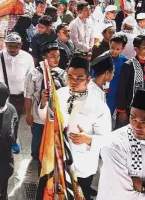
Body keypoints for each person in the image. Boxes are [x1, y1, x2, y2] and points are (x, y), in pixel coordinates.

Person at [38, 56, 111, 199]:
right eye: (70, 76)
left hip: (82, 165)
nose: (73, 81)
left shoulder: (98, 105)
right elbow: (45, 119)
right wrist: (43, 103)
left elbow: (107, 139)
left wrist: (88, 139)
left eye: (79, 78)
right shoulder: (59, 94)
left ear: (88, 79)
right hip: (57, 160)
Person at [24, 42, 67, 161]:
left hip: (56, 117)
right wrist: (28, 114)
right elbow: (28, 97)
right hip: (39, 118)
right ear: (44, 57)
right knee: (37, 147)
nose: (56, 59)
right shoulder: (34, 74)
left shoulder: (62, 74)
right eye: (52, 56)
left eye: (58, 56)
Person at [0, 32, 33, 153]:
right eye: (10, 45)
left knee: (14, 121)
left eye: (16, 46)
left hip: (18, 97)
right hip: (0, 95)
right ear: (5, 44)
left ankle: (13, 140)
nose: (13, 49)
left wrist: (28, 99)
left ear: (21, 45)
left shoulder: (27, 58)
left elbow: (30, 78)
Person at [116, 35, 145, 128]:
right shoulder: (129, 65)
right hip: (131, 109)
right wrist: (122, 111)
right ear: (136, 48)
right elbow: (121, 88)